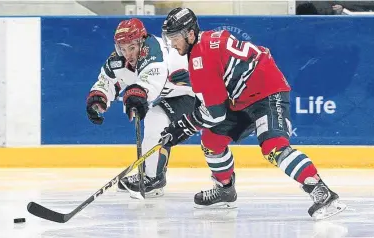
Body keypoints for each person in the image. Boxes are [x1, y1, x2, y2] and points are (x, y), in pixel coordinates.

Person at [160, 8, 346, 220]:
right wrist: (187, 125)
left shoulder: (199, 58)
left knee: (273, 147)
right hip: (242, 98)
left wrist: (182, 126)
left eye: (174, 37)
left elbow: (215, 113)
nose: (173, 44)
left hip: (267, 92)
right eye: (169, 37)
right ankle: (225, 189)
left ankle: (321, 192)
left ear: (190, 34)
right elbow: (217, 101)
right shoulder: (207, 41)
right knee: (212, 140)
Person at [86, 18, 195, 197]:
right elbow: (107, 81)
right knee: (157, 122)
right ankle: (152, 176)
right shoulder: (120, 60)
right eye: (122, 48)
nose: (127, 53)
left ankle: (151, 178)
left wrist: (139, 93)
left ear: (142, 41)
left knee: (155, 118)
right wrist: (99, 98)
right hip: (172, 95)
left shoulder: (154, 49)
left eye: (132, 47)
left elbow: (153, 76)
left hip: (194, 95)